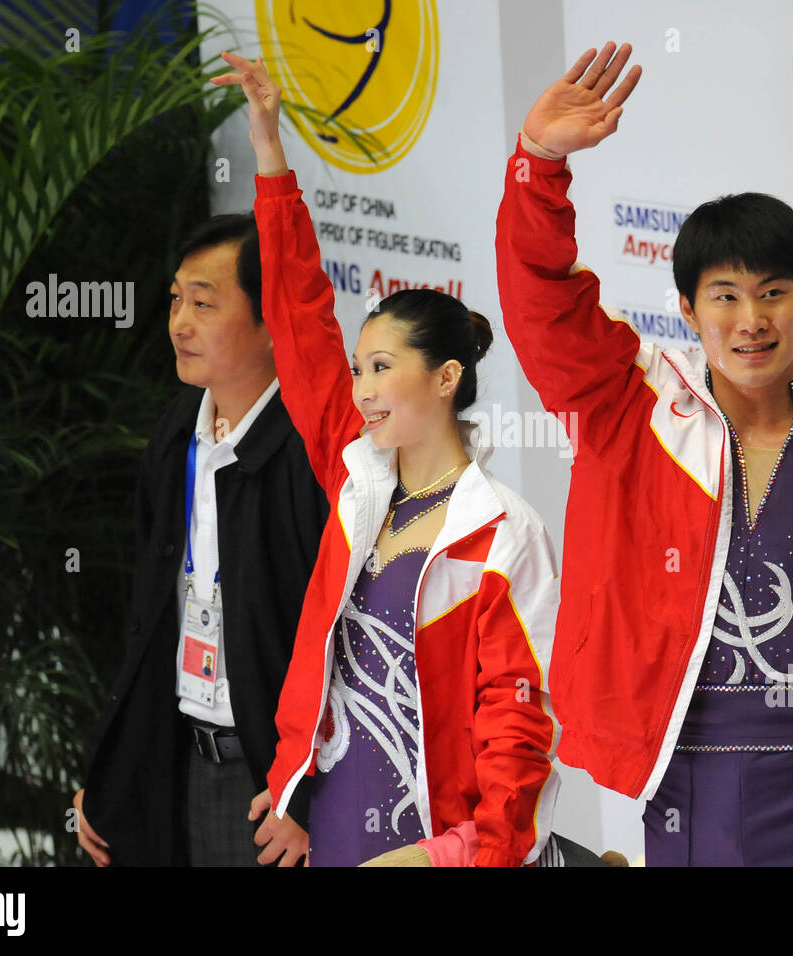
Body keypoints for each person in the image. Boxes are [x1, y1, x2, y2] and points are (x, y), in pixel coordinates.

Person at [497, 42, 793, 866]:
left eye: (773, 294)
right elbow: (543, 302)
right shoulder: (629, 406)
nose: (751, 321)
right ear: (689, 311)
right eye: (725, 297)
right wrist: (540, 165)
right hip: (684, 774)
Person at [214, 52, 561, 867]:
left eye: (382, 368)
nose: (362, 389)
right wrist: (268, 149)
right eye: (359, 368)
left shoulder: (505, 534)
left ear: (445, 379)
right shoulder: (359, 479)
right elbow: (299, 318)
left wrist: (455, 854)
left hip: (439, 847)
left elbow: (523, 728)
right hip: (334, 824)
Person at [73, 214, 331, 866]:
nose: (179, 323)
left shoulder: (310, 457)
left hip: (276, 784)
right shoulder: (175, 433)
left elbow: (344, 642)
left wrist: (307, 792)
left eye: (204, 303)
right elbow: (150, 617)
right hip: (180, 752)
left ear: (272, 323)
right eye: (176, 300)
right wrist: (112, 762)